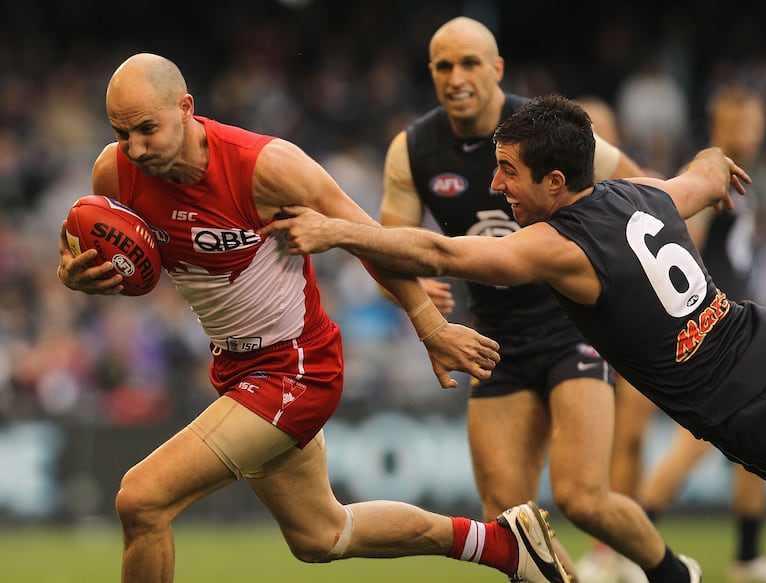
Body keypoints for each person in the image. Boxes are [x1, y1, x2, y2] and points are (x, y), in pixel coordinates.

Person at [55, 53, 574, 583]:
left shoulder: (265, 166)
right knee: (322, 536)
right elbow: (113, 256)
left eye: (147, 129)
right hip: (235, 371)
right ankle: (504, 547)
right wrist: (77, 277)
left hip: (296, 369)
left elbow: (370, 241)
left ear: (186, 108)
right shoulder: (113, 173)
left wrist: (430, 326)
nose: (136, 149)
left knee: (141, 499)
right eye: (122, 134)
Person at [266, 92, 766, 581]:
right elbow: (703, 177)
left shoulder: (560, 246)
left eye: (507, 172)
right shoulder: (643, 194)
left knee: (584, 495)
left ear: (555, 182)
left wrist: (335, 231)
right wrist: (715, 159)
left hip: (745, 406)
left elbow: (441, 253)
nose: (495, 186)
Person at [379, 16, 684, 582]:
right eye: (444, 66)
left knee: (583, 497)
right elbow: (389, 247)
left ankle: (673, 575)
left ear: (496, 68)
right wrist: (411, 289)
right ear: (431, 74)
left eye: (470, 63)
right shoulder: (414, 148)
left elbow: (641, 195)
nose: (457, 76)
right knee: (507, 519)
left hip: (574, 328)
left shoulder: (545, 127)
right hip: (493, 342)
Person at [620, 85, 766, 583]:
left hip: (744, 327)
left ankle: (746, 557)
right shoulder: (700, 180)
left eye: (755, 121)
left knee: (750, 462)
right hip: (715, 339)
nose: (750, 131)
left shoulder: (745, 179)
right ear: (718, 124)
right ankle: (638, 554)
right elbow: (678, 246)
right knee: (687, 453)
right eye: (739, 122)